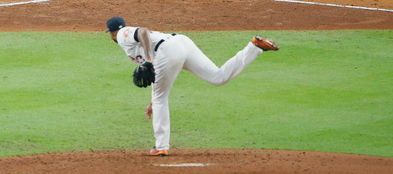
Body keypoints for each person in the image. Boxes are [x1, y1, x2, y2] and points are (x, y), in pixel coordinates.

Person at [104, 16, 279, 156]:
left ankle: (161, 147)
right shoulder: (131, 44)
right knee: (218, 77)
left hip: (167, 50)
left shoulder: (121, 34)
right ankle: (254, 47)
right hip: (181, 43)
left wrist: (148, 60)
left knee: (160, 99)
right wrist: (151, 102)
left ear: (111, 33)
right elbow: (156, 77)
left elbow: (142, 31)